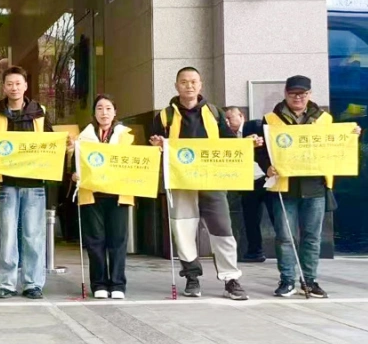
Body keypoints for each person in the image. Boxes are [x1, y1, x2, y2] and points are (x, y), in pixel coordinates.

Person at [148, 67, 255, 301]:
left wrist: (246, 144)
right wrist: (156, 145)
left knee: (222, 229)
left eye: (193, 81)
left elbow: (228, 142)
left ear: (200, 84)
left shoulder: (214, 113)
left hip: (212, 180)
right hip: (181, 182)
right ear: (176, 86)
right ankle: (192, 277)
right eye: (184, 82)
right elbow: (153, 147)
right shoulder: (165, 116)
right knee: (183, 231)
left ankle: (230, 278)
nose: (189, 85)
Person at [256, 75, 359, 298]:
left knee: (312, 236)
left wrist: (351, 136)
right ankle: (287, 280)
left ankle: (309, 280)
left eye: (302, 94)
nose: (298, 98)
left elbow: (336, 145)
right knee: (285, 237)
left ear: (310, 94)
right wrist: (267, 167)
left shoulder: (324, 119)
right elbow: (261, 151)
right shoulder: (271, 119)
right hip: (284, 186)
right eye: (293, 93)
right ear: (285, 94)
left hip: (315, 186)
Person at [0, 65, 54, 300]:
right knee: (8, 235)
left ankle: (33, 283)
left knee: (33, 236)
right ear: (4, 87)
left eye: (18, 83)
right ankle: (6, 283)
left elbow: (51, 144)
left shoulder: (40, 112)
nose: (14, 88)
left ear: (25, 86)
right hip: (6, 183)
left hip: (34, 183)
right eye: (10, 84)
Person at [73, 95, 132, 299]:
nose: (104, 112)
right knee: (95, 240)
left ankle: (117, 284)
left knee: (118, 240)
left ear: (115, 112)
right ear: (94, 113)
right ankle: (98, 284)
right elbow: (74, 165)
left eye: (108, 108)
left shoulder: (127, 136)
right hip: (92, 194)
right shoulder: (83, 138)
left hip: (118, 194)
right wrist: (73, 174)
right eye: (99, 108)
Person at [225, 106, 270, 263]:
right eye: (224, 119)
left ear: (241, 116)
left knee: (276, 217)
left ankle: (288, 252)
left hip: (266, 179)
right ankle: (255, 252)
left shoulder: (256, 126)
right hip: (247, 182)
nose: (227, 122)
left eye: (229, 118)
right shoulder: (226, 135)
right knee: (250, 219)